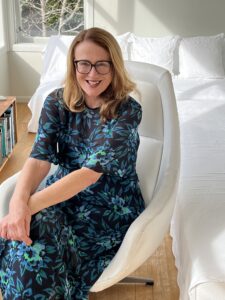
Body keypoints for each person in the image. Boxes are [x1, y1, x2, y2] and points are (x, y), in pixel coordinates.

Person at [0, 27, 145, 300]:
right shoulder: (56, 101)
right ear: (73, 65)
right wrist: (18, 203)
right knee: (31, 241)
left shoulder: (127, 110)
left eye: (102, 64)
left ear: (114, 66)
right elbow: (39, 157)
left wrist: (24, 209)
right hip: (62, 198)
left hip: (106, 209)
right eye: (84, 64)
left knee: (33, 239)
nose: (92, 74)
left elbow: (89, 175)